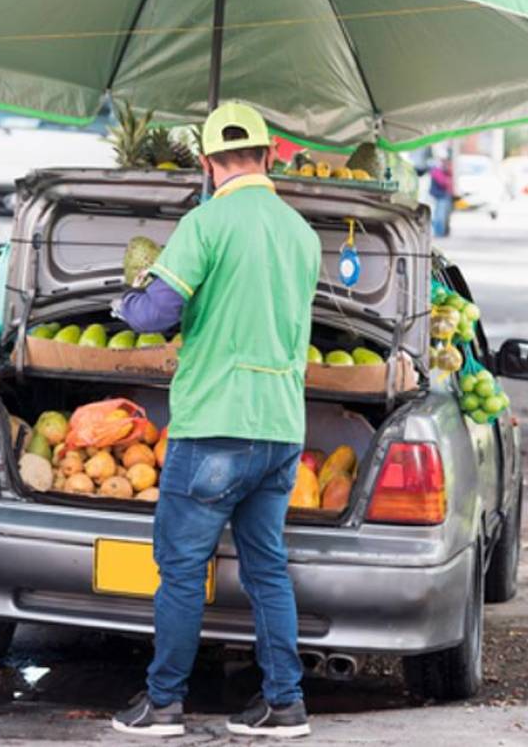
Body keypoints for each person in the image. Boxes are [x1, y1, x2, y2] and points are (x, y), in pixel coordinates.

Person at [110, 102, 321, 739]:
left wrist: (125, 302)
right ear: (270, 156)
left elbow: (154, 315)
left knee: (180, 569)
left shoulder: (205, 223)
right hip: (281, 426)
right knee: (266, 569)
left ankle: (164, 704)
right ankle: (284, 705)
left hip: (213, 428)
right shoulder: (302, 234)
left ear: (205, 164)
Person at [429, 154, 455, 238]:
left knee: (443, 215)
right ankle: (438, 233)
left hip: (445, 195)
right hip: (440, 196)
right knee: (439, 216)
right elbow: (443, 182)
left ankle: (442, 232)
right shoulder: (437, 170)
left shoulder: (446, 171)